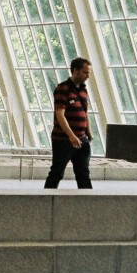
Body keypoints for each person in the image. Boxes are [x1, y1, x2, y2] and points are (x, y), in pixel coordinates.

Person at [44, 57, 94, 190]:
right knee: (57, 172)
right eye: (85, 72)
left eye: (88, 73)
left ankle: (87, 199)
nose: (88, 76)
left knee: (83, 173)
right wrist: (71, 136)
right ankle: (46, 197)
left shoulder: (83, 90)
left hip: (82, 139)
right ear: (75, 71)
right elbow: (60, 115)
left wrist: (88, 131)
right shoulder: (62, 89)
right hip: (63, 140)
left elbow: (85, 112)